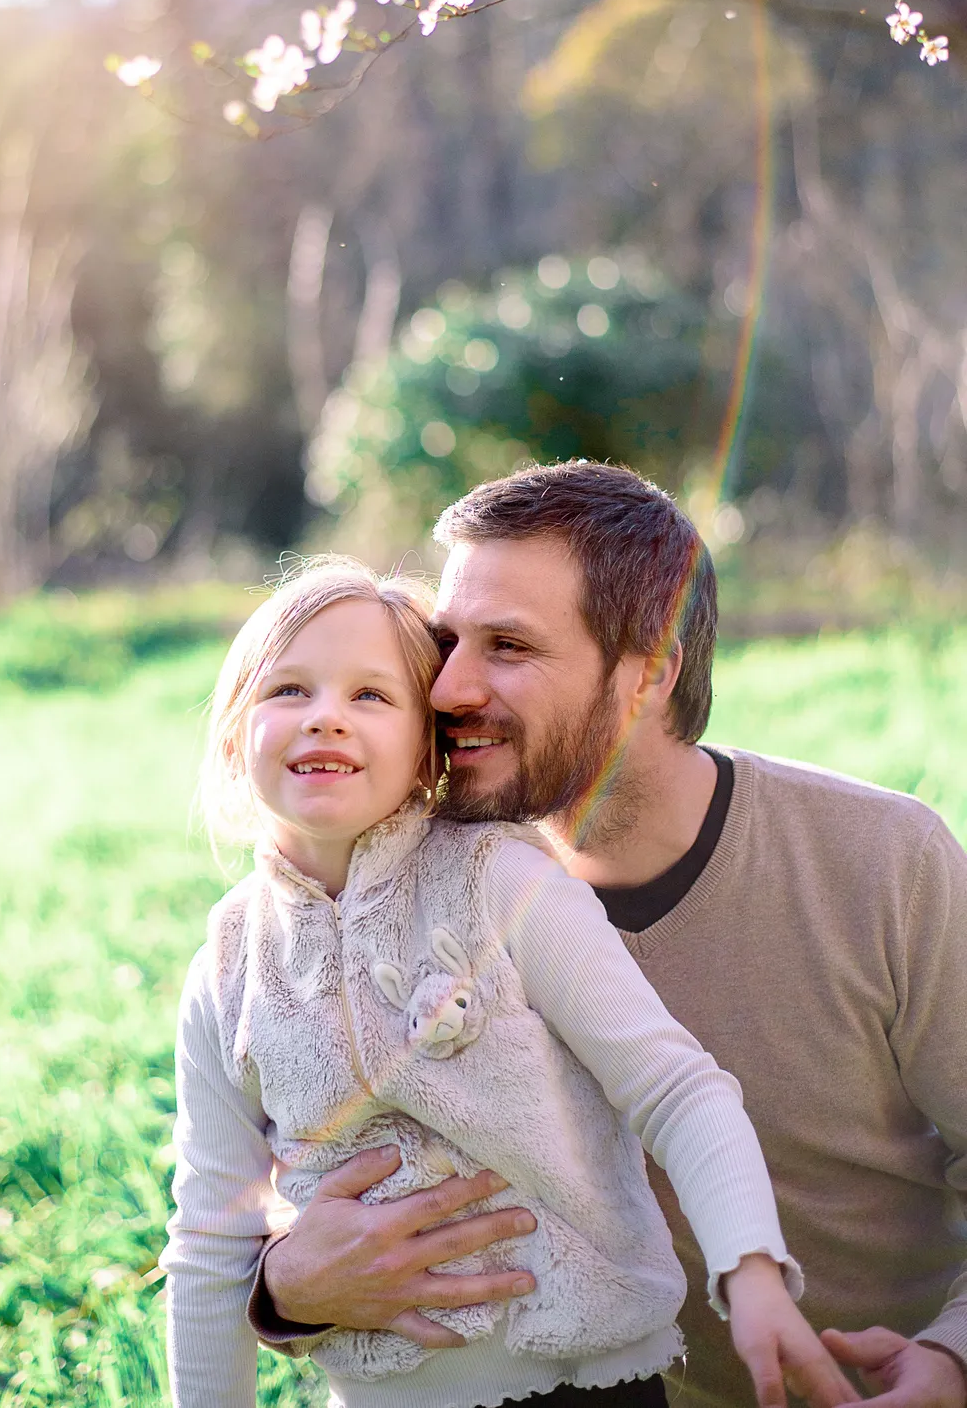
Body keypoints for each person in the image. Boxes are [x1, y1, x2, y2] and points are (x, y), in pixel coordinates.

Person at [252, 463, 967, 1408]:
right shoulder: (404, 885)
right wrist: (283, 1287)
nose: (451, 685)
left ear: (651, 670)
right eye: (446, 641)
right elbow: (294, 1142)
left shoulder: (881, 860)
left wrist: (955, 1358)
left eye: (507, 645)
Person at [163, 557, 858, 1408]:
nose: (327, 721)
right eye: (289, 691)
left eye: (371, 697)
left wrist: (750, 1274)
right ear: (236, 735)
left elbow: (677, 1088)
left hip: (585, 1379)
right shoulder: (230, 963)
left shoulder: (499, 882)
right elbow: (209, 1240)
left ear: (428, 745)